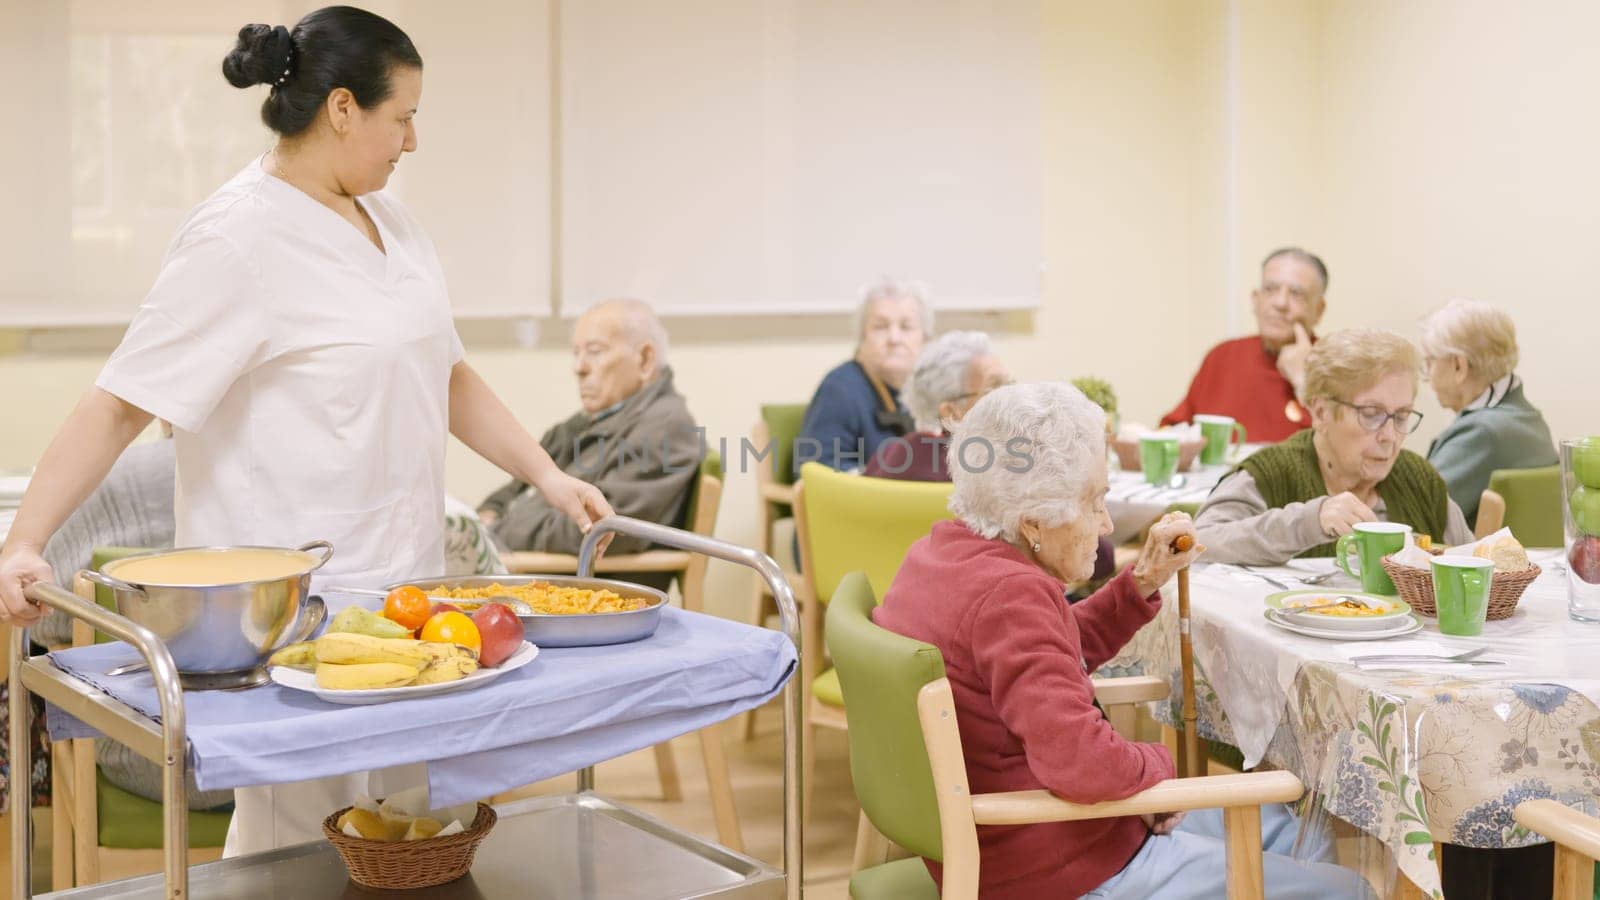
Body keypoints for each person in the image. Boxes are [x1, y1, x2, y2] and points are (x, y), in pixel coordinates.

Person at [0, 8, 612, 854]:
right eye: (404, 116)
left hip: (406, 597)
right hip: (292, 619)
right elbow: (120, 401)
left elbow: (448, 375)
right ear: (343, 109)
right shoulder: (237, 237)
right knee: (293, 848)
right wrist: (25, 541)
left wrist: (548, 475)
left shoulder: (395, 224)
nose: (413, 140)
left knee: (405, 835)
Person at [874, 383, 1369, 899]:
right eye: (1095, 502)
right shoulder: (1010, 596)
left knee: (1298, 833)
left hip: (1034, 839)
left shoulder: (943, 553)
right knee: (1351, 890)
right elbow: (1082, 764)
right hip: (1066, 865)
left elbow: (1051, 651)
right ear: (1034, 523)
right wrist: (1157, 769)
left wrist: (1143, 580)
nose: (1107, 523)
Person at [1196, 329, 1473, 564]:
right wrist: (1308, 521)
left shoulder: (1419, 481)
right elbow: (1199, 542)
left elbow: (1471, 561)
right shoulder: (1272, 472)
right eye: (1371, 414)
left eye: (1401, 416)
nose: (1390, 435)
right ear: (1320, 413)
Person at [864, 332, 1114, 584]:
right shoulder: (990, 476)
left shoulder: (885, 456)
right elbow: (1095, 556)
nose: (1011, 395)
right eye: (995, 388)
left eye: (1010, 384)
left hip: (895, 606)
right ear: (952, 411)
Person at [478, 299, 700, 583]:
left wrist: (496, 529)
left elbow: (599, 528)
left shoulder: (665, 427)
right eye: (576, 353)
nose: (579, 367)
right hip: (531, 573)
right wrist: (489, 514)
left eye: (595, 352)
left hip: (582, 595)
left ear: (644, 360)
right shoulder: (586, 422)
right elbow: (517, 485)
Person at [1161, 247, 1329, 442]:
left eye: (1296, 294)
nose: (1280, 303)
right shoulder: (1223, 356)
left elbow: (1340, 454)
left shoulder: (1337, 367)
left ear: (1319, 310)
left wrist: (1304, 382)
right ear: (1255, 300)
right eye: (1270, 289)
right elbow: (1174, 429)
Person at [1419, 299, 1558, 526]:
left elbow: (1414, 514)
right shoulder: (1532, 421)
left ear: (1458, 366)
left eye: (1430, 362)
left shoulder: (1481, 434)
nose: (1427, 376)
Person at [795, 277, 930, 473]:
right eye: (881, 327)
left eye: (906, 327)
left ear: (925, 338)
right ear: (862, 337)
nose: (894, 338)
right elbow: (815, 469)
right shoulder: (840, 389)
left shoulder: (932, 389)